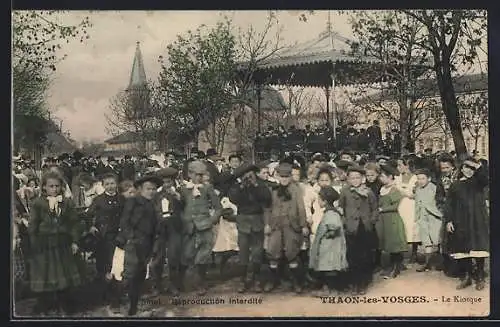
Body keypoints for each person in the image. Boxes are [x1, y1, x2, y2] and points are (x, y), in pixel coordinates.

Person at [28, 171, 84, 315]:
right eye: (51, 186)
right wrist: (34, 245)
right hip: (44, 244)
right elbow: (33, 226)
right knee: (45, 276)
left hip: (63, 244)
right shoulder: (38, 203)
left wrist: (75, 241)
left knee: (63, 276)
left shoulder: (67, 203)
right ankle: (43, 308)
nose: (54, 189)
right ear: (44, 187)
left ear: (62, 187)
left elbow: (74, 224)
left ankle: (63, 307)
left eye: (57, 186)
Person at [115, 174, 163, 316]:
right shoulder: (133, 202)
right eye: (148, 189)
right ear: (140, 189)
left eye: (154, 189)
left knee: (141, 275)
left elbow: (155, 226)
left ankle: (134, 306)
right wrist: (131, 238)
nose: (151, 192)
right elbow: (125, 222)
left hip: (147, 244)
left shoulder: (153, 204)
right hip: (133, 244)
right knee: (129, 274)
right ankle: (118, 302)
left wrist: (155, 243)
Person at [444, 158, 489, 291]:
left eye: (472, 168)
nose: (469, 171)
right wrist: (449, 220)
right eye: (466, 168)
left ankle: (480, 277)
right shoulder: (455, 185)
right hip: (460, 221)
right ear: (461, 169)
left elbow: (485, 178)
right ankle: (467, 277)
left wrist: (477, 165)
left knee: (478, 248)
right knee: (462, 249)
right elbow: (449, 205)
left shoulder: (478, 183)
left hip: (477, 220)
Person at [263, 162, 308, 294]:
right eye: (281, 177)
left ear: (290, 177)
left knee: (292, 252)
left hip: (291, 225)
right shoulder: (273, 190)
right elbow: (267, 209)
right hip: (275, 225)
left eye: (287, 177)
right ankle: (272, 280)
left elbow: (301, 208)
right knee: (273, 251)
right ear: (277, 176)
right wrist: (267, 224)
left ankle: (296, 282)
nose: (284, 179)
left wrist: (303, 224)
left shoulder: (296, 190)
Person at [180, 160, 222, 296]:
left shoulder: (207, 188)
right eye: (196, 175)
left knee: (203, 255)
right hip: (189, 226)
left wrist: (211, 221)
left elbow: (218, 208)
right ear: (189, 174)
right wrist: (183, 220)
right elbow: (179, 207)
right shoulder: (183, 189)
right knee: (188, 254)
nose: (198, 178)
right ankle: (188, 281)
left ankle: (200, 282)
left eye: (201, 175)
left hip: (204, 226)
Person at [228, 163, 272, 293]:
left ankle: (257, 279)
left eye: (251, 175)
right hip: (243, 221)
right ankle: (243, 280)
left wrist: (256, 185)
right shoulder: (237, 187)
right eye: (245, 176)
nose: (248, 177)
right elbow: (233, 198)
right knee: (243, 252)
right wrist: (242, 186)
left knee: (257, 253)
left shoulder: (261, 185)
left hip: (257, 220)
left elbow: (267, 198)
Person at [338, 165, 378, 295]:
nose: (355, 180)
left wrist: (371, 221)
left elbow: (375, 208)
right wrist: (344, 221)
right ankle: (354, 282)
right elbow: (341, 207)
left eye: (358, 178)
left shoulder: (368, 192)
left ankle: (363, 282)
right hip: (351, 228)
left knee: (365, 256)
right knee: (352, 256)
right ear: (348, 179)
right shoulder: (345, 191)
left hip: (364, 227)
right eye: (352, 178)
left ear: (363, 178)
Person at [86, 173, 124, 303]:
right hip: (104, 236)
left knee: (117, 264)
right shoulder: (98, 200)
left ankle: (117, 292)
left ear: (116, 184)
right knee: (104, 264)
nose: (110, 186)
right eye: (107, 184)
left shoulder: (122, 199)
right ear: (102, 186)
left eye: (112, 183)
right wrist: (91, 226)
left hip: (118, 236)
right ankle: (104, 293)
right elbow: (88, 215)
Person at [150, 167, 183, 296]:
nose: (166, 185)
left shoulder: (177, 194)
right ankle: (156, 285)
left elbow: (184, 206)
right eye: (164, 182)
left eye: (169, 182)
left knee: (173, 257)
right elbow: (152, 211)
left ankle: (173, 285)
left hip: (174, 229)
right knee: (158, 257)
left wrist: (177, 196)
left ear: (173, 182)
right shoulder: (156, 196)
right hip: (159, 230)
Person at [309, 187, 348, 296]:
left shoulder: (331, 213)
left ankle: (332, 290)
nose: (318, 201)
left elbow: (334, 227)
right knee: (326, 267)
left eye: (319, 199)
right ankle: (328, 289)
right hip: (329, 245)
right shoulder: (330, 212)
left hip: (330, 246)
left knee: (329, 267)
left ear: (325, 201)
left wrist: (328, 234)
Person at [378, 164, 407, 279]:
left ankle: (396, 267)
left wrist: (381, 209)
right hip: (384, 220)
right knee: (388, 244)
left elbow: (395, 206)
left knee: (394, 244)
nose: (381, 179)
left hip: (393, 219)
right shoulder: (383, 189)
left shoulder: (395, 189)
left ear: (390, 177)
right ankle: (392, 266)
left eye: (383, 176)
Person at [414, 168, 443, 272]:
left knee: (436, 239)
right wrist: (416, 217)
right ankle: (427, 263)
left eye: (423, 178)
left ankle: (441, 262)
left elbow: (439, 202)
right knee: (426, 240)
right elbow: (417, 203)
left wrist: (439, 214)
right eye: (418, 179)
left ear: (429, 179)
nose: (420, 181)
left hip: (434, 216)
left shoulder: (434, 188)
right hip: (423, 216)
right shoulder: (417, 189)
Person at [396, 157, 420, 265]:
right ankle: (400, 255)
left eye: (400, 165)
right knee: (402, 228)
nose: (398, 168)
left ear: (407, 165)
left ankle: (414, 254)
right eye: (397, 165)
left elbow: (416, 194)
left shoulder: (415, 178)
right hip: (400, 205)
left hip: (411, 205)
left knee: (413, 228)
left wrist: (407, 193)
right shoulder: (397, 178)